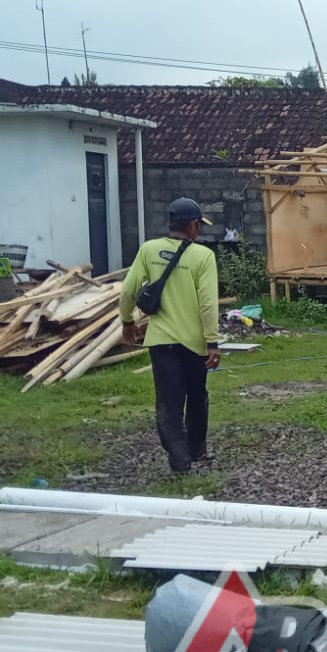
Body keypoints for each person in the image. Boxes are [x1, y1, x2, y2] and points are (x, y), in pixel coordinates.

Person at [120, 197, 222, 473]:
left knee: (169, 402)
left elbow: (128, 290)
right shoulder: (203, 256)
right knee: (197, 396)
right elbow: (208, 303)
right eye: (198, 225)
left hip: (162, 342)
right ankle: (195, 450)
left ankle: (178, 456)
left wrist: (127, 321)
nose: (198, 230)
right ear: (192, 225)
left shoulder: (148, 250)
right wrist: (212, 342)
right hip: (195, 343)